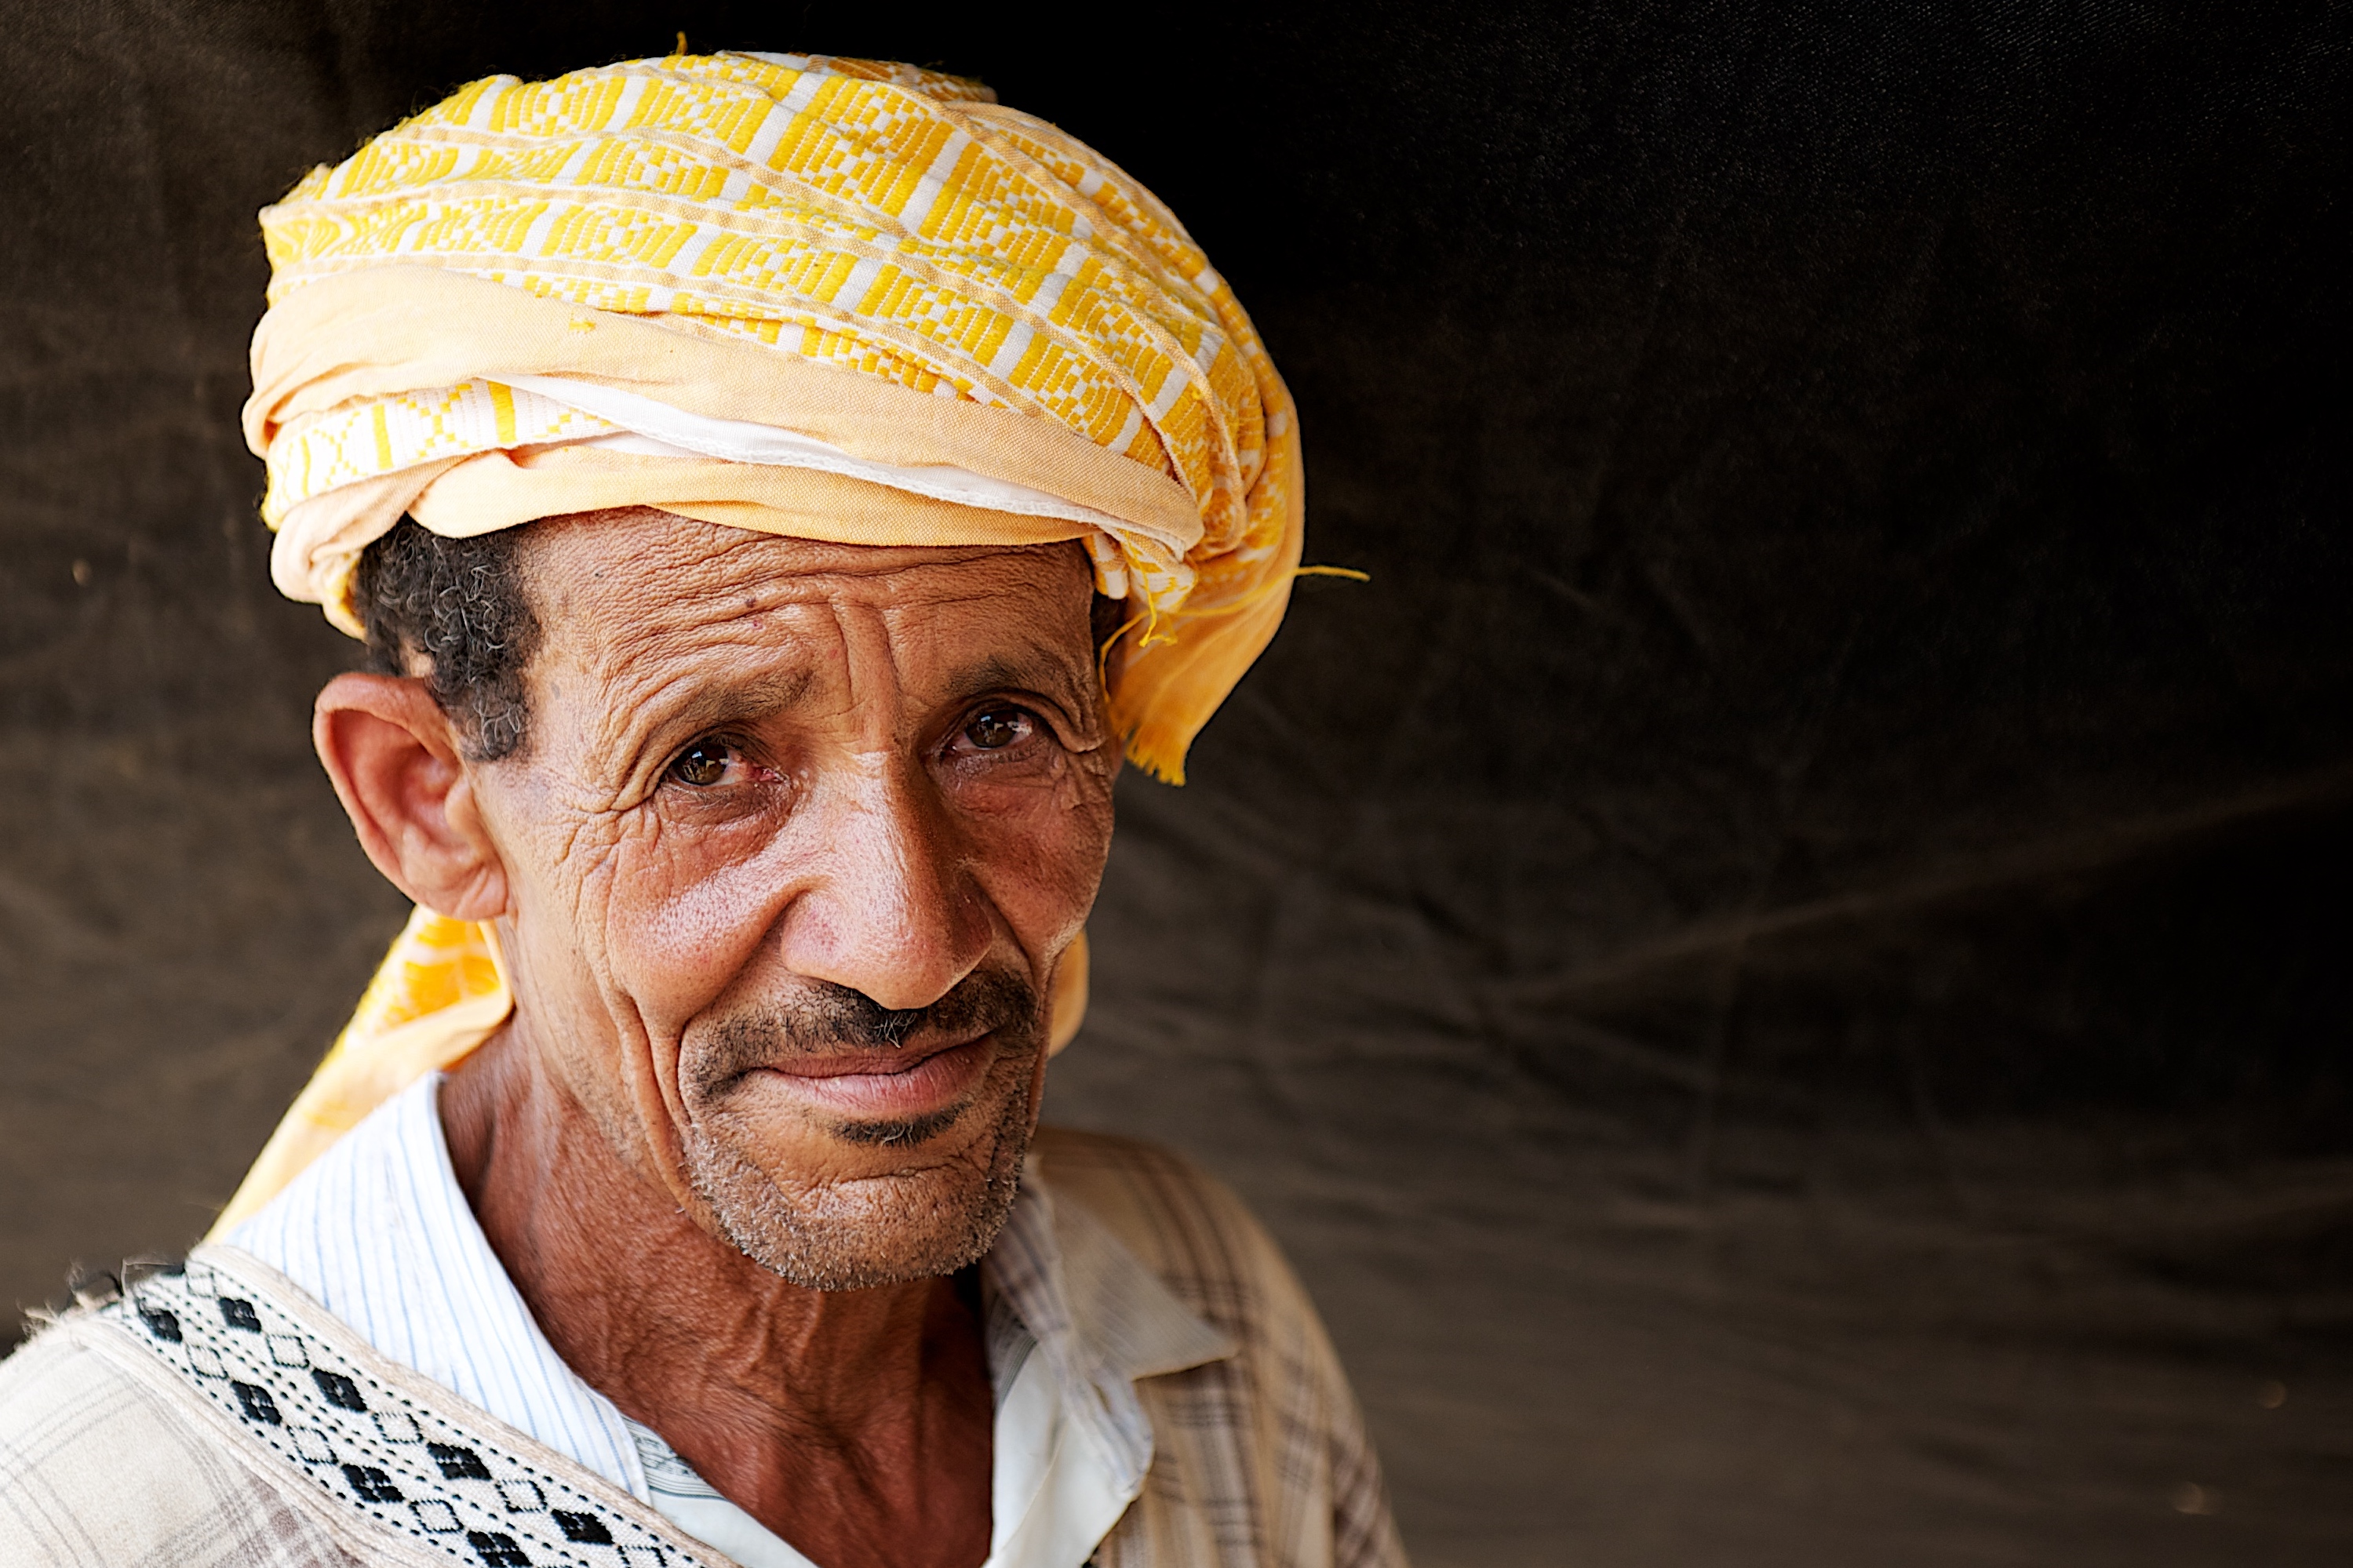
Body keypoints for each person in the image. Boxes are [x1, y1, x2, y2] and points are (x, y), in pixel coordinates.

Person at [0, 50, 1404, 1568]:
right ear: (430, 806)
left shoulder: (1210, 1311)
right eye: (711, 764)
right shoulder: (89, 1523)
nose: (906, 945)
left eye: (997, 730)